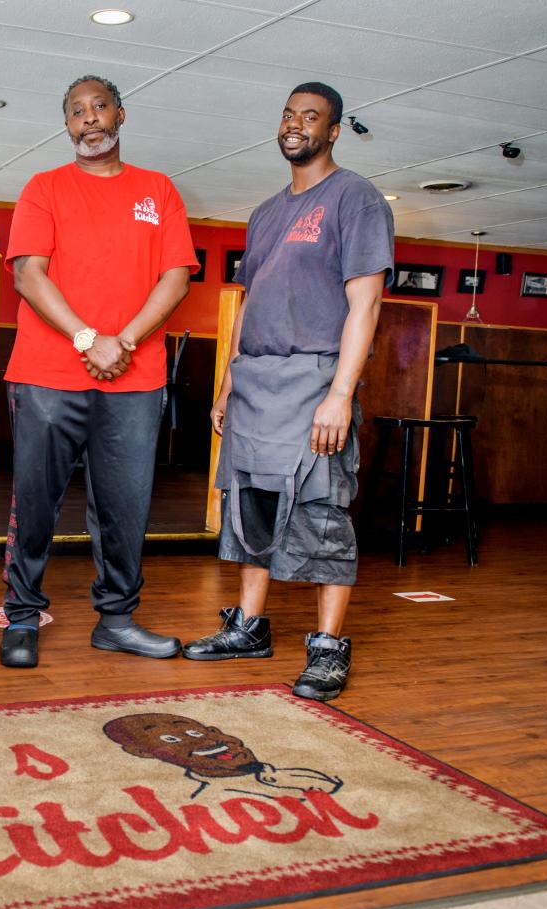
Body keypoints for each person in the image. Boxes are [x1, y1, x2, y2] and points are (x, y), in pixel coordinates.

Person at [182, 82, 394, 703]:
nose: (295, 124)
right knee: (248, 510)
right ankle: (248, 627)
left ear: (333, 131)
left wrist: (339, 393)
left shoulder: (354, 199)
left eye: (311, 117)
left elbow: (366, 303)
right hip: (256, 385)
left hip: (313, 382)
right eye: (288, 114)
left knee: (322, 511)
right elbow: (250, 303)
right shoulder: (266, 212)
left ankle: (328, 647)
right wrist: (228, 380)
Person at [0, 75, 197, 668]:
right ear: (67, 125)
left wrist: (124, 341)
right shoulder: (44, 188)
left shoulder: (157, 191)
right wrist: (89, 338)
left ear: (121, 115)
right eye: (77, 111)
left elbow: (177, 276)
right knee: (35, 500)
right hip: (47, 374)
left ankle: (116, 620)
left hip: (135, 379)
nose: (90, 119)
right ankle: (23, 618)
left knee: (125, 505)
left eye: (100, 107)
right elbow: (28, 275)